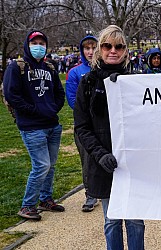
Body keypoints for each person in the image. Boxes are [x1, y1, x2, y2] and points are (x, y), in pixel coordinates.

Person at [73, 25, 145, 249]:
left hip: (132, 163)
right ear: (99, 49)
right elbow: (82, 127)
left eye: (118, 46)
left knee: (135, 221)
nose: (112, 50)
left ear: (125, 50)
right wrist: (100, 154)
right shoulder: (87, 83)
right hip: (103, 164)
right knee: (111, 220)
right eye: (107, 45)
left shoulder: (137, 82)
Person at [3, 30, 66, 220]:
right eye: (34, 42)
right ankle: (27, 204)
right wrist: (34, 109)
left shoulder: (50, 67)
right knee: (41, 165)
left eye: (42, 42)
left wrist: (53, 108)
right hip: (31, 126)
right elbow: (11, 95)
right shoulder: (16, 67)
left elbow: (59, 92)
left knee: (51, 165)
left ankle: (45, 199)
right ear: (27, 45)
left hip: (52, 124)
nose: (39, 46)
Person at [65, 34, 99, 212]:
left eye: (94, 47)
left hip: (104, 124)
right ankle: (90, 194)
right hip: (85, 124)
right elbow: (72, 100)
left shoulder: (103, 69)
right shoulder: (75, 72)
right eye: (87, 48)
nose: (90, 51)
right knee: (86, 160)